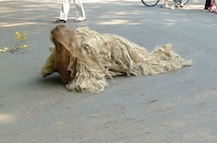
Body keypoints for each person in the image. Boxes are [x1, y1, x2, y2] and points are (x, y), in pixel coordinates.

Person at [41, 25, 192, 93]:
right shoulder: (64, 49)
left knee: (144, 62)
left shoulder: (84, 45)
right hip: (111, 45)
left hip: (118, 49)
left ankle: (166, 55)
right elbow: (54, 59)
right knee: (143, 58)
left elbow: (91, 77)